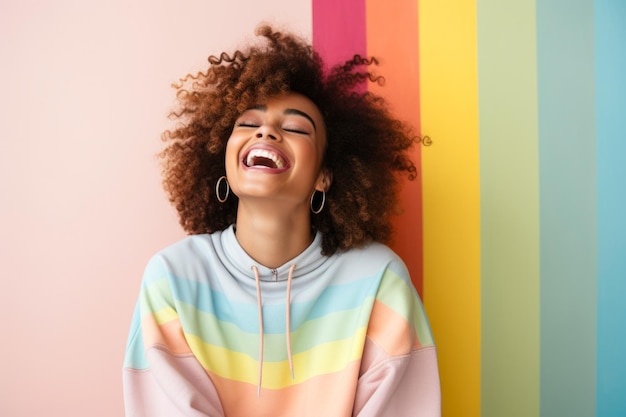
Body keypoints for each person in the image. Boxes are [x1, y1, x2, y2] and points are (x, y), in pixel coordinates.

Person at [123, 25, 440, 417]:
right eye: (247, 123)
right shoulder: (173, 278)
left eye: (294, 128)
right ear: (222, 156)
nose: (266, 131)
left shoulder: (379, 282)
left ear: (325, 175)